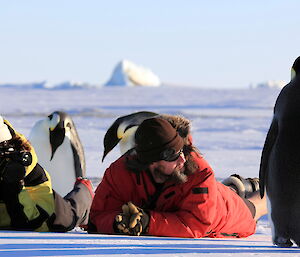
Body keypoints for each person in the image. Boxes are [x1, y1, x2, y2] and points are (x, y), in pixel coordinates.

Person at [88, 116, 267, 238]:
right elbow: (97, 218)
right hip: (206, 196)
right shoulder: (119, 173)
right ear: (151, 161)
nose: (181, 158)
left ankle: (268, 192)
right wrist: (118, 223)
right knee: (225, 191)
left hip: (222, 212)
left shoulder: (199, 171)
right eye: (172, 155)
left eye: (180, 150)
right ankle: (236, 186)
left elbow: (196, 225)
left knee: (252, 209)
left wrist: (148, 222)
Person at [0, 116, 94, 232]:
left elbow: (31, 222)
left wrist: (14, 186)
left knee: (66, 219)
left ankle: (84, 191)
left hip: (42, 208)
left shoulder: (17, 166)